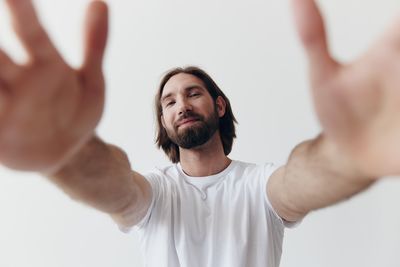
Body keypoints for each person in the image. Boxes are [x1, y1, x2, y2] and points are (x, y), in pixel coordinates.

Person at [0, 0, 399, 266]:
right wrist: (68, 156)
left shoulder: (260, 185)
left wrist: (349, 156)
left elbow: (301, 182)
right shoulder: (154, 193)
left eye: (193, 93)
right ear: (164, 122)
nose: (182, 105)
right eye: (169, 102)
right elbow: (117, 188)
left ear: (219, 106)